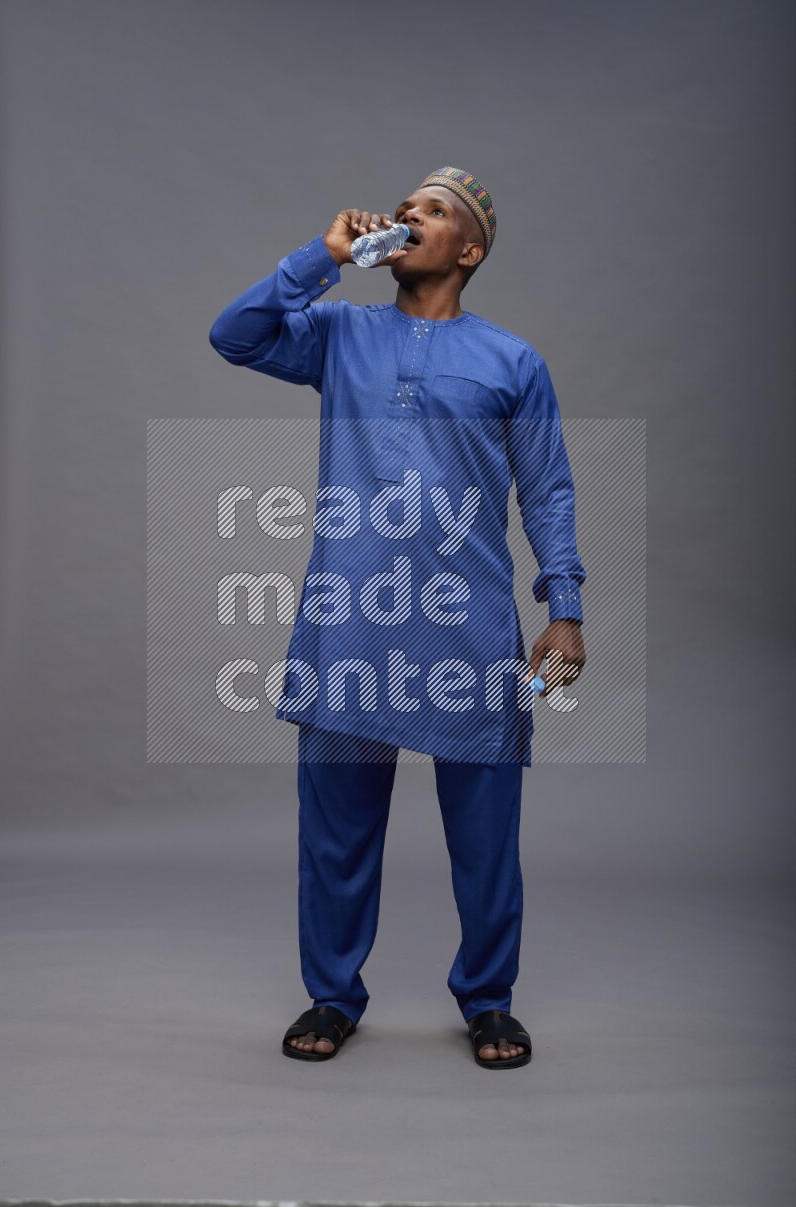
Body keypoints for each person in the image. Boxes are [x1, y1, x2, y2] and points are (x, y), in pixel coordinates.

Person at [209, 166, 587, 1068]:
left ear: (469, 249)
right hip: (350, 621)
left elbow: (549, 491)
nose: (410, 213)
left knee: (486, 836)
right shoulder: (339, 331)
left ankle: (489, 1000)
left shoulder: (511, 360)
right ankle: (332, 995)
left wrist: (564, 609)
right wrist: (321, 258)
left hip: (470, 628)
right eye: (406, 204)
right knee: (335, 832)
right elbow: (233, 335)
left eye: (435, 210)